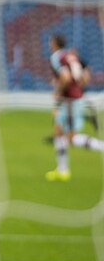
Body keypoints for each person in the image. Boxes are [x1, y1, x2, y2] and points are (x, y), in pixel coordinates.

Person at [46, 34, 104, 181]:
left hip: (70, 101)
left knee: (71, 138)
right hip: (75, 98)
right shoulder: (71, 55)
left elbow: (65, 78)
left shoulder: (56, 57)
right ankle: (63, 171)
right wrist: (79, 89)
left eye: (50, 41)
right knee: (58, 132)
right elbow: (85, 75)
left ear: (54, 44)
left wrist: (59, 94)